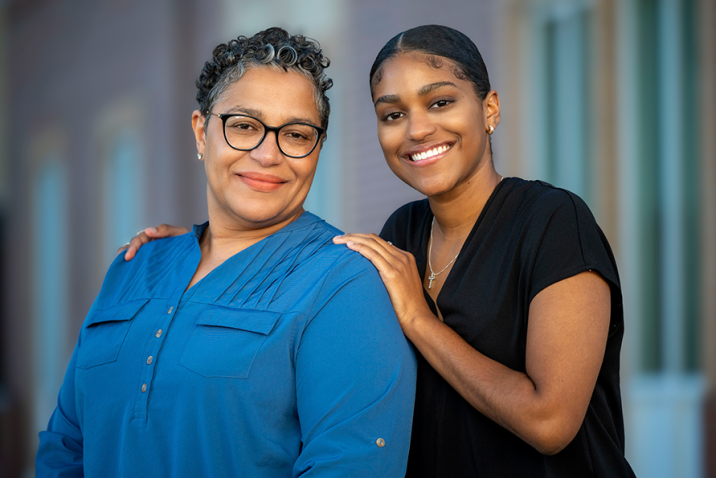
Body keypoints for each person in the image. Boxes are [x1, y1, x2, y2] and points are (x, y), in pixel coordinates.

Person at [124, 25, 635, 477]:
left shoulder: (552, 221)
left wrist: (420, 321)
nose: (416, 129)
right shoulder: (402, 231)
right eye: (393, 113)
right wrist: (208, 244)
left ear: (490, 109)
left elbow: (551, 423)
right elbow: (314, 262)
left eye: (440, 102)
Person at [35, 27, 417, 478]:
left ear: (317, 149)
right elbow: (65, 447)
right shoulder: (133, 267)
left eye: (295, 134)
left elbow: (352, 464)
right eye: (243, 126)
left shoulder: (343, 285)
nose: (267, 153)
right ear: (201, 133)